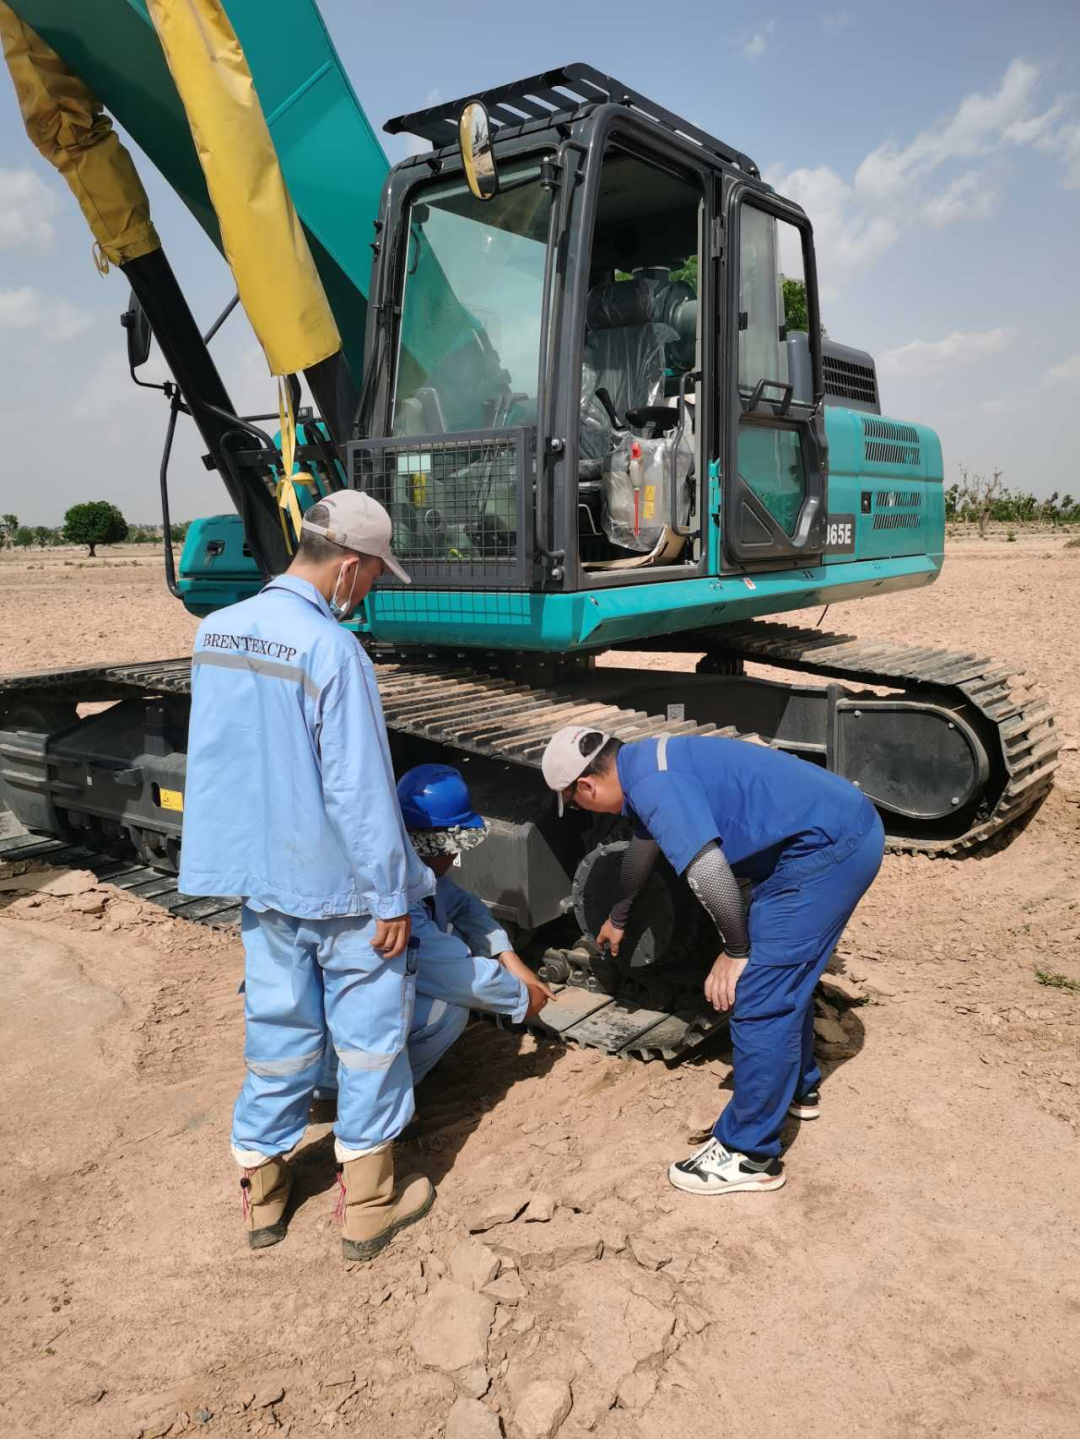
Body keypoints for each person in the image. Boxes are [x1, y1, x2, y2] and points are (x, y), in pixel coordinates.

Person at [179, 491, 521, 1263]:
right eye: (370, 577)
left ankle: (263, 1198)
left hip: (263, 881)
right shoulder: (332, 651)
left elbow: (225, 763)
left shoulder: (217, 632)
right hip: (339, 888)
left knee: (277, 1030)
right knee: (368, 1041)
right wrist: (390, 891)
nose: (366, 591)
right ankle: (368, 1204)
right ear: (351, 564)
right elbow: (359, 788)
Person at [541, 724, 884, 1196]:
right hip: (835, 829)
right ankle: (797, 1088)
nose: (581, 808)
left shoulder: (655, 787)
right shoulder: (642, 763)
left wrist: (734, 951)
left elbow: (707, 870)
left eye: (576, 802)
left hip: (827, 851)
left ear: (586, 785)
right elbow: (646, 842)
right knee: (783, 982)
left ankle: (749, 1155)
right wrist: (620, 914)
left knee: (760, 995)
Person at [315, 764, 553, 1103]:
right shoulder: (396, 903)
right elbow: (460, 976)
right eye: (452, 846)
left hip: (343, 1002)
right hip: (341, 1025)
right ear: (436, 845)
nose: (456, 853)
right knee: (449, 1010)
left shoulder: (406, 867)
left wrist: (509, 957)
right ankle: (366, 1097)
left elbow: (463, 905)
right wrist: (523, 997)